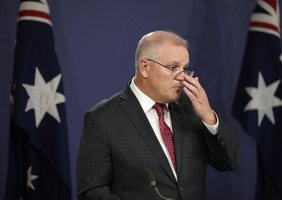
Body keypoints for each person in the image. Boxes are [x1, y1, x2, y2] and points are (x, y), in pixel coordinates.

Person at [76, 30, 239, 200]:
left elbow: (229, 162)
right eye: (173, 68)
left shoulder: (192, 109)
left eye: (185, 69)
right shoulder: (103, 118)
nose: (182, 77)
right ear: (145, 67)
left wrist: (208, 117)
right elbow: (92, 191)